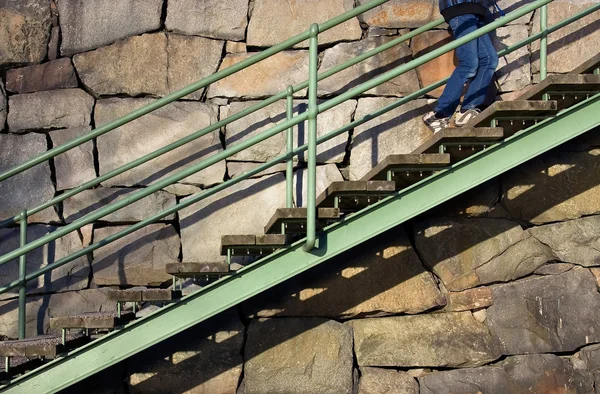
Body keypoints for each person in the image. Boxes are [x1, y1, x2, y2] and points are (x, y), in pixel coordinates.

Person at [423, 0, 499, 133]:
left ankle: (468, 110)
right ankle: (439, 114)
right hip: (460, 7)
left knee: (489, 59)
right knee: (469, 63)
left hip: (476, 10)